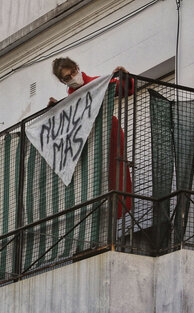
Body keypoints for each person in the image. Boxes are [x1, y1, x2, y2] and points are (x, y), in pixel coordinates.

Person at [49, 57, 132, 218]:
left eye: (73, 72)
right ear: (62, 81)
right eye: (67, 77)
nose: (73, 77)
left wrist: (124, 76)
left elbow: (124, 89)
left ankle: (118, 212)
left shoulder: (96, 83)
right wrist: (55, 110)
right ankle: (100, 217)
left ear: (77, 67)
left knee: (115, 176)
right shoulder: (69, 102)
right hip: (89, 145)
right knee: (95, 181)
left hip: (110, 135)